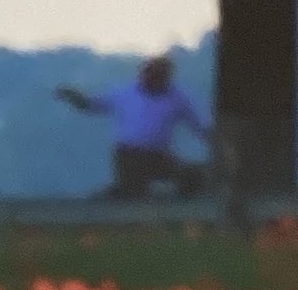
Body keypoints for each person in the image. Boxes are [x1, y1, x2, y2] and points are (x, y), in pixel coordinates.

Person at [57, 55, 210, 200]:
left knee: (195, 177)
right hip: (129, 155)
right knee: (134, 193)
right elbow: (92, 105)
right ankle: (113, 195)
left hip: (159, 155)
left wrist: (217, 145)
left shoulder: (178, 98)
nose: (153, 78)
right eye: (150, 74)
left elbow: (200, 126)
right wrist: (73, 97)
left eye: (159, 75)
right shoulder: (125, 93)